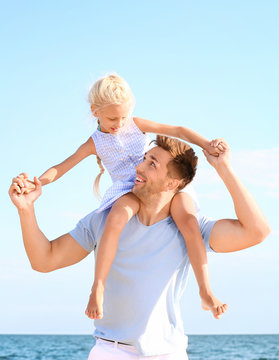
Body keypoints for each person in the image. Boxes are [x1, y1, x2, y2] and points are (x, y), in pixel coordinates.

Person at [9, 136, 270, 359]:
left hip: (168, 352)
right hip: (110, 352)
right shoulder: (104, 219)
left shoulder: (191, 228)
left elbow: (257, 231)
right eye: (145, 158)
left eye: (152, 164)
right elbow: (45, 260)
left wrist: (224, 168)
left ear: (172, 183)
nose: (139, 167)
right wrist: (26, 210)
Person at [12, 74, 227, 320]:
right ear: (95, 112)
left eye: (123, 116)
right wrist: (37, 181)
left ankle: (206, 290)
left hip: (156, 180)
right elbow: (63, 166)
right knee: (115, 219)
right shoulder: (94, 143)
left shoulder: (135, 124)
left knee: (189, 221)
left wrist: (206, 144)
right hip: (129, 187)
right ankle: (98, 286)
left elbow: (177, 130)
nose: (119, 123)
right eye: (113, 118)